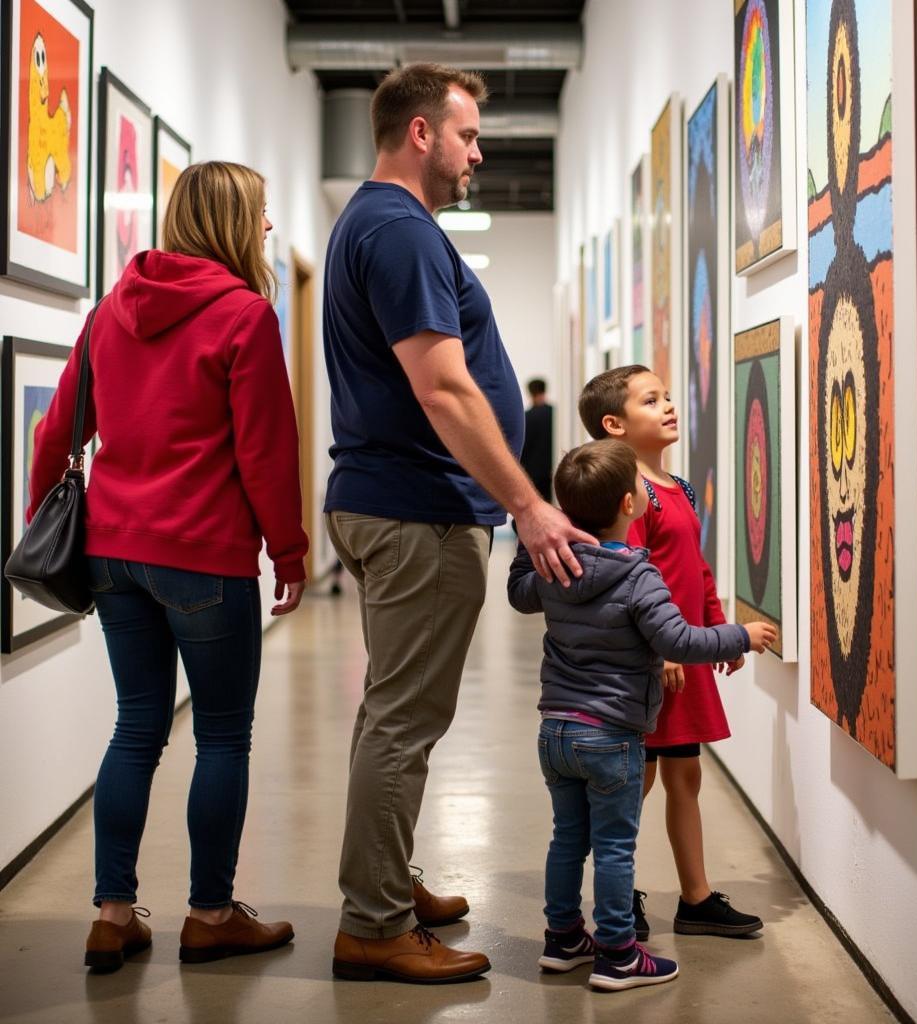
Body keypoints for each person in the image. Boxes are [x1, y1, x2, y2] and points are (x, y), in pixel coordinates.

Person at [322, 62, 592, 984]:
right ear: (423, 133)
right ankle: (373, 925)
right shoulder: (398, 230)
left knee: (390, 714)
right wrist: (528, 505)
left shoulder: (382, 224)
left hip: (395, 504)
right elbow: (443, 387)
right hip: (419, 511)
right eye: (469, 135)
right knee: (404, 720)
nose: (480, 152)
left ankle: (384, 882)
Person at [28, 161, 308, 972]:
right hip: (205, 559)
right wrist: (286, 549)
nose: (265, 227)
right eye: (258, 212)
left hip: (113, 552)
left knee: (136, 727)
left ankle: (113, 915)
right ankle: (211, 914)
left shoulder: (111, 309)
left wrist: (43, 521)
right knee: (223, 736)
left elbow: (57, 432)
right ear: (228, 221)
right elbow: (265, 449)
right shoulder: (244, 316)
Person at [507, 440, 776, 991]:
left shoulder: (552, 567)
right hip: (610, 734)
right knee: (613, 847)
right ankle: (618, 954)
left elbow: (517, 593)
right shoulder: (638, 576)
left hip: (555, 729)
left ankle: (562, 940)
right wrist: (740, 636)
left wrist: (529, 527)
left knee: (567, 839)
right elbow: (677, 638)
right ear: (631, 504)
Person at [578, 365, 766, 940]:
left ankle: (697, 897)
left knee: (686, 775)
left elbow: (696, 568)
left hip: (686, 658)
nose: (668, 406)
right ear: (614, 425)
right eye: (650, 400)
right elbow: (629, 581)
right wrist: (661, 652)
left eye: (667, 396)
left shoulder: (677, 488)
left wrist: (717, 628)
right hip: (653, 665)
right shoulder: (628, 497)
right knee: (637, 781)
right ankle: (619, 895)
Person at [520, 377, 554, 501]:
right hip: (553, 470)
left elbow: (522, 447)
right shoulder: (555, 413)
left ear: (530, 392)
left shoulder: (525, 418)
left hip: (531, 473)